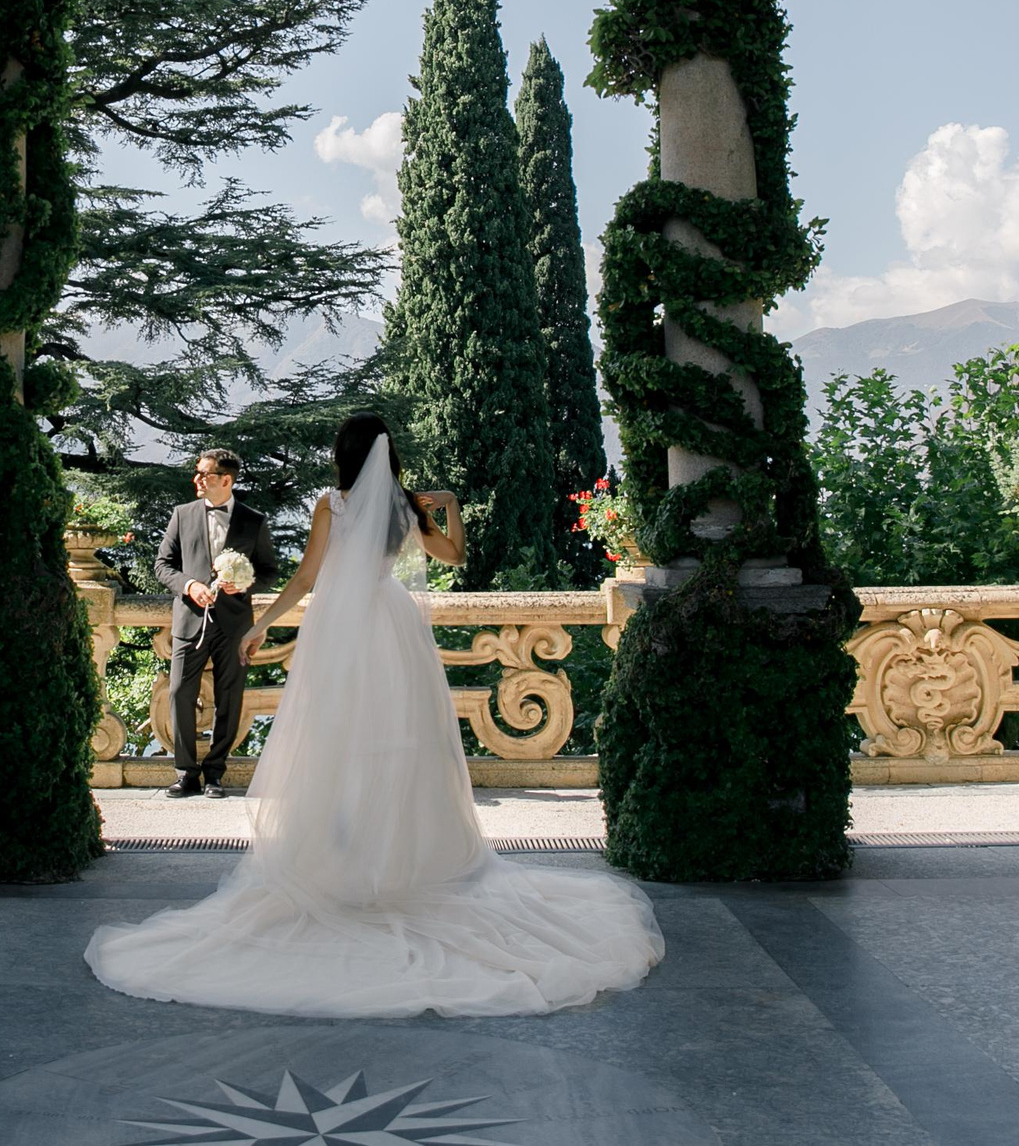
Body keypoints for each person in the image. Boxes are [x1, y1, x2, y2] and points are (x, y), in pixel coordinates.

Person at [84, 412, 664, 1017]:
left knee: (335, 744)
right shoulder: (406, 507)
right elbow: (456, 556)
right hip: (392, 626)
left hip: (341, 627)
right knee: (400, 746)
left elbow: (307, 576)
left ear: (344, 454)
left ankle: (346, 866)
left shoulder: (331, 504)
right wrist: (450, 504)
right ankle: (394, 864)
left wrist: (260, 625)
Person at [153, 448, 282, 798]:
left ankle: (214, 774)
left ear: (226, 480)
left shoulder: (253, 520)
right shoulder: (182, 515)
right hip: (189, 620)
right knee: (180, 693)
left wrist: (244, 583)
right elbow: (162, 565)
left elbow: (270, 571)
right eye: (197, 473)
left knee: (229, 696)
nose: (196, 479)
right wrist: (189, 585)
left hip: (235, 624)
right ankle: (185, 772)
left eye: (204, 474)